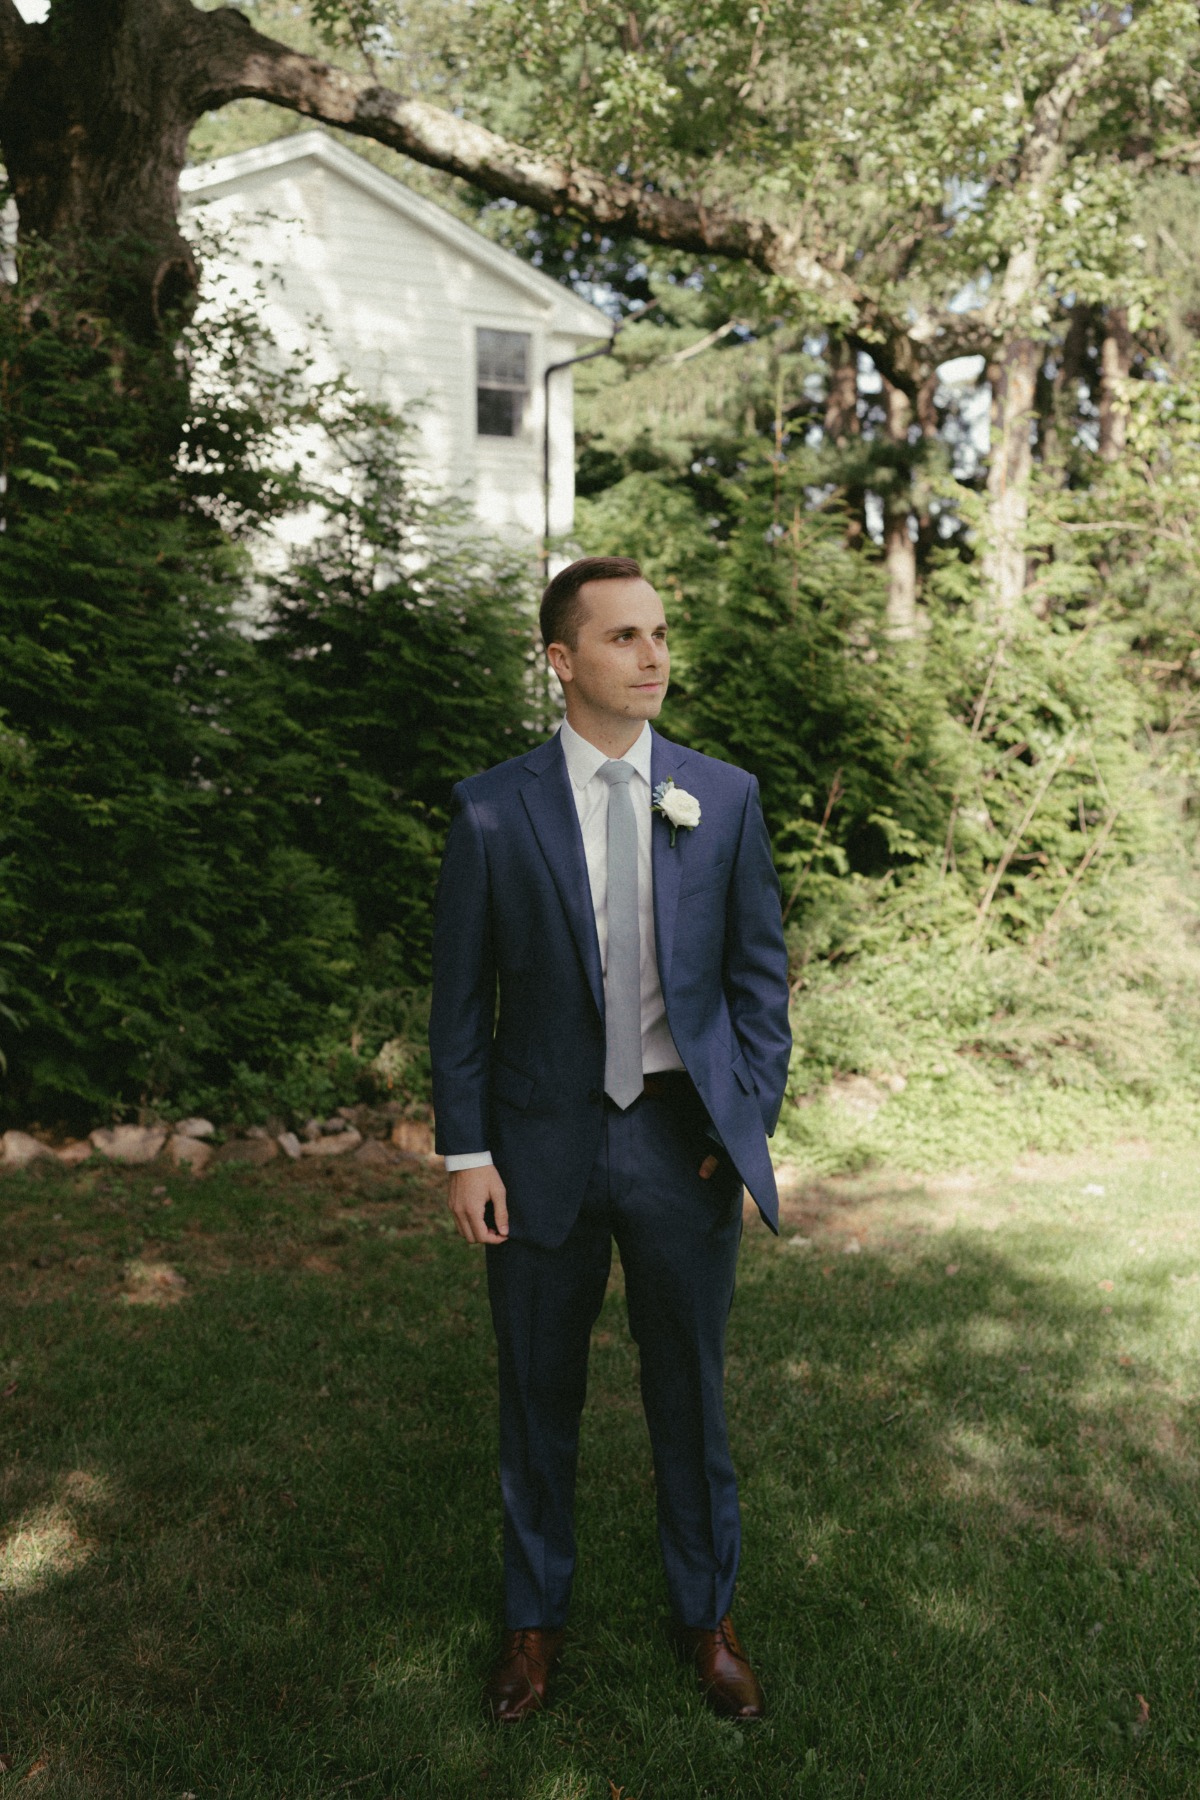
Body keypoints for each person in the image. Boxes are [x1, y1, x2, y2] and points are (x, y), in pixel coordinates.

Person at [429, 555, 791, 1724]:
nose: (653, 656)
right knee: (538, 1396)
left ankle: (709, 1616)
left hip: (678, 1146)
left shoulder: (721, 796)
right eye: (624, 637)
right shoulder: (492, 807)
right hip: (538, 1153)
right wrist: (465, 1153)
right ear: (560, 660)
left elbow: (757, 987)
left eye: (661, 634)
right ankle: (534, 1623)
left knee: (690, 1392)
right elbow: (460, 1002)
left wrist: (738, 1123)